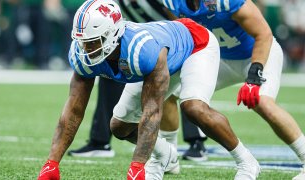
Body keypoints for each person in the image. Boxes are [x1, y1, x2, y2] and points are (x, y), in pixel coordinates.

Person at [37, 0, 260, 179]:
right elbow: (73, 110)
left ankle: (246, 161)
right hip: (163, 54)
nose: (87, 48)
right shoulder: (83, 53)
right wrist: (51, 164)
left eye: (94, 41)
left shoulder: (141, 51)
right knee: (119, 126)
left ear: (113, 34)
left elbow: (152, 113)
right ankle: (165, 154)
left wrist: (136, 167)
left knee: (194, 108)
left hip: (196, 45)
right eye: (84, 41)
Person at [160, 0, 305, 179]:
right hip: (218, 56)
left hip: (255, 55)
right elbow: (184, 35)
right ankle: (169, 156)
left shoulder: (227, 2)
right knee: (168, 87)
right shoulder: (172, 3)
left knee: (261, 101)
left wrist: (254, 75)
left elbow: (264, 34)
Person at [68, 0, 208, 161]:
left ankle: (196, 141)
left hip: (166, 41)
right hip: (127, 42)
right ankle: (100, 141)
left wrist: (177, 42)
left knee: (182, 89)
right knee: (107, 71)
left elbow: (178, 16)